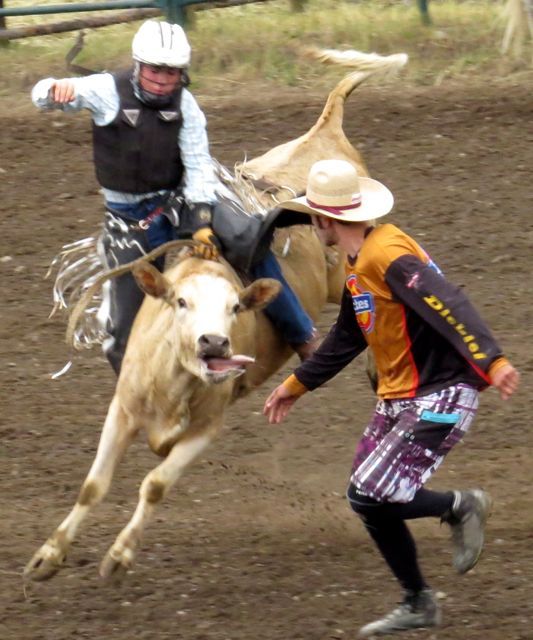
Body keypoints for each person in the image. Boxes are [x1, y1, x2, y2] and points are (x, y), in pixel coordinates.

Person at [263, 159, 520, 636]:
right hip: (400, 397)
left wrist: (492, 360)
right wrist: (295, 386)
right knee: (367, 501)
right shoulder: (358, 263)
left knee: (370, 494)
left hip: (441, 395)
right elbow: (346, 335)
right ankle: (419, 601)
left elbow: (449, 302)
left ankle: (459, 505)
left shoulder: (389, 255)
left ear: (324, 220)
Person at [32, 19, 318, 374]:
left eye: (172, 72)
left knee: (248, 241)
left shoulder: (187, 106)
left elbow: (198, 166)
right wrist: (53, 90)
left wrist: (201, 223)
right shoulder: (105, 89)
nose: (163, 79)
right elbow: (43, 95)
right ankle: (136, 388)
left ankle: (302, 335)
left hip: (180, 200)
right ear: (138, 64)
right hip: (128, 219)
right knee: (125, 326)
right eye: (155, 69)